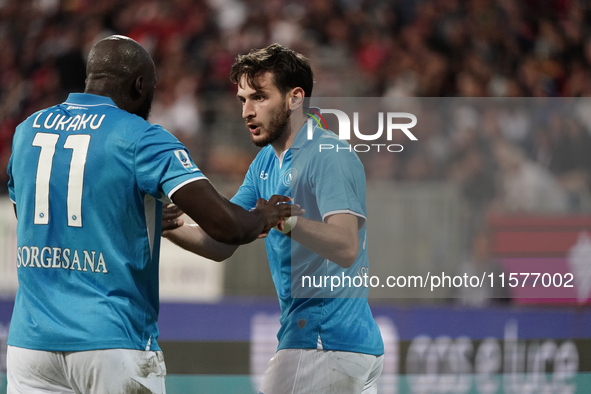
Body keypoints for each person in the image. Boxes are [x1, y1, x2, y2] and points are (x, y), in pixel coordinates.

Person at [5, 35, 298, 394]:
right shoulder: (141, 138)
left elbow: (35, 218)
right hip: (112, 341)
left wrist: (127, 220)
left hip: (30, 345)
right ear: (140, 85)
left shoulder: (26, 131)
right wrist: (262, 216)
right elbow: (226, 225)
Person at [164, 44, 384, 393]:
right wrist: (169, 227)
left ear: (295, 98)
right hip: (333, 346)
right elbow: (225, 239)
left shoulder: (329, 154)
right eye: (243, 100)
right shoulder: (266, 162)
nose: (247, 112)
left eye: (259, 97)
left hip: (322, 341)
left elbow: (345, 247)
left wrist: (287, 222)